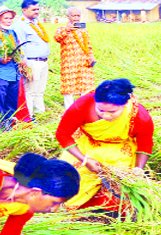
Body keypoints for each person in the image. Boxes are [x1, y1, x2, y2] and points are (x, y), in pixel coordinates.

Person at [55, 79, 154, 214]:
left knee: (121, 180)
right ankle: (75, 206)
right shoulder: (82, 106)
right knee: (72, 173)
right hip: (86, 144)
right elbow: (63, 134)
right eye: (100, 110)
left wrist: (137, 170)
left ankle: (109, 208)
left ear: (125, 105)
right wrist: (85, 160)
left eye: (113, 112)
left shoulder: (139, 116)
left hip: (120, 148)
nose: (106, 115)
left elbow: (145, 143)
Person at [0, 6, 30, 133]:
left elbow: (17, 50)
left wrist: (21, 60)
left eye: (11, 18)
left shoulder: (11, 33)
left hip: (14, 74)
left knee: (11, 105)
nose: (9, 21)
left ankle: (8, 129)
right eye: (6, 18)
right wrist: (0, 60)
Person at [13, 0, 51, 117]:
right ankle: (28, 117)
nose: (36, 12)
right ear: (24, 10)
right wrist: (24, 63)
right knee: (30, 91)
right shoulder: (20, 25)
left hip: (43, 62)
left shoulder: (36, 23)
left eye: (37, 9)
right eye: (33, 9)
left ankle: (40, 114)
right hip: (32, 62)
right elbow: (19, 46)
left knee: (40, 90)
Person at [55, 7, 96, 110]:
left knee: (86, 87)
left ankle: (85, 110)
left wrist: (91, 57)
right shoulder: (61, 29)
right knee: (69, 88)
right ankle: (69, 111)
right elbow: (57, 38)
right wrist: (67, 30)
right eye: (73, 15)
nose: (76, 18)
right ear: (68, 16)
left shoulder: (83, 30)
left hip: (84, 63)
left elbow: (88, 46)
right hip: (69, 64)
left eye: (78, 15)